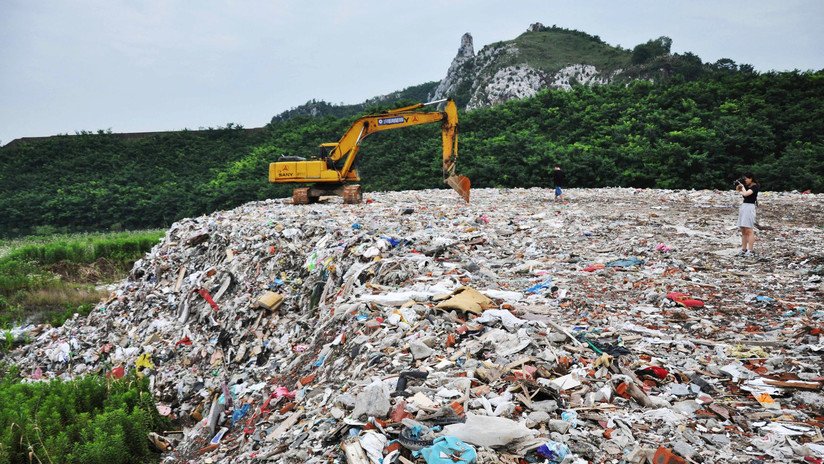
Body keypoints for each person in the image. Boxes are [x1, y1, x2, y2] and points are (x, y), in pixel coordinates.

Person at [735, 173, 759, 256]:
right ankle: (743, 249)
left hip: (750, 207)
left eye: (746, 179)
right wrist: (740, 189)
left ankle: (750, 250)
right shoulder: (747, 187)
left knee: (749, 229)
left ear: (751, 178)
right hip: (744, 206)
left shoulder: (755, 186)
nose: (745, 180)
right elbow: (743, 193)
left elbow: (746, 194)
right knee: (743, 229)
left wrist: (742, 188)